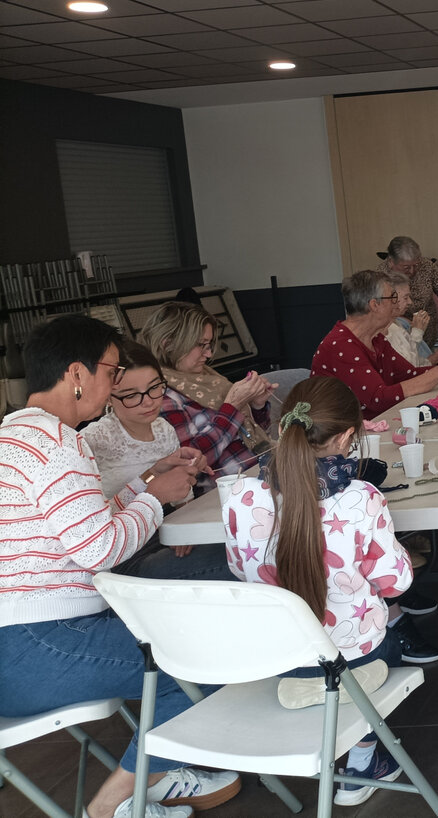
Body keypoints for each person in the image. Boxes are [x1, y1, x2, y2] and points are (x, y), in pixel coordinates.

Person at [0, 315, 240, 818]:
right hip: (35, 644)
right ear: (77, 373)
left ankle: (153, 780)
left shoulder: (18, 434)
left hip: (23, 645)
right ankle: (111, 806)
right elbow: (101, 549)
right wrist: (155, 498)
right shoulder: (57, 444)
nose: (113, 385)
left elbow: (83, 525)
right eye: (111, 372)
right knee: (207, 653)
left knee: (193, 637)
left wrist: (148, 481)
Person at [220, 376, 413, 806]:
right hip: (358, 663)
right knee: (390, 636)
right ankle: (361, 762)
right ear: (347, 437)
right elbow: (395, 583)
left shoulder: (239, 496)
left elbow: (239, 570)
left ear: (283, 427)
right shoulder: (362, 498)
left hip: (283, 662)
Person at [81, 341, 234, 582]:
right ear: (108, 396)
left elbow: (183, 500)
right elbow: (91, 524)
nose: (149, 401)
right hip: (127, 553)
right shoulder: (93, 440)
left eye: (155, 387)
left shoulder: (163, 428)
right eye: (132, 395)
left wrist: (186, 528)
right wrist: (155, 485)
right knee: (236, 559)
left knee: (244, 544)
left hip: (169, 534)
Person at [142, 301, 275, 482]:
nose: (209, 354)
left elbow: (252, 434)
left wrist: (257, 406)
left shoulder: (207, 378)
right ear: (168, 344)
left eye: (209, 344)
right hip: (227, 487)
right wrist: (232, 407)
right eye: (201, 345)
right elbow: (190, 462)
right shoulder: (160, 396)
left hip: (259, 469)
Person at [311, 269, 438, 416]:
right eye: (392, 298)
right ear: (375, 305)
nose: (396, 304)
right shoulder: (341, 345)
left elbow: (408, 375)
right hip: (346, 432)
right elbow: (379, 398)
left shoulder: (375, 339)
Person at [381, 235, 438, 347]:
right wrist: (401, 320)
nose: (412, 271)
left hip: (428, 332)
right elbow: (381, 312)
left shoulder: (426, 265)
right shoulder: (381, 277)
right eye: (406, 267)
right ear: (391, 262)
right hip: (399, 336)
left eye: (416, 265)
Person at [382, 271, 437, 368]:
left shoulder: (396, 323)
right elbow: (410, 366)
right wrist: (417, 331)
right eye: (405, 297)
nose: (410, 302)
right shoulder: (389, 329)